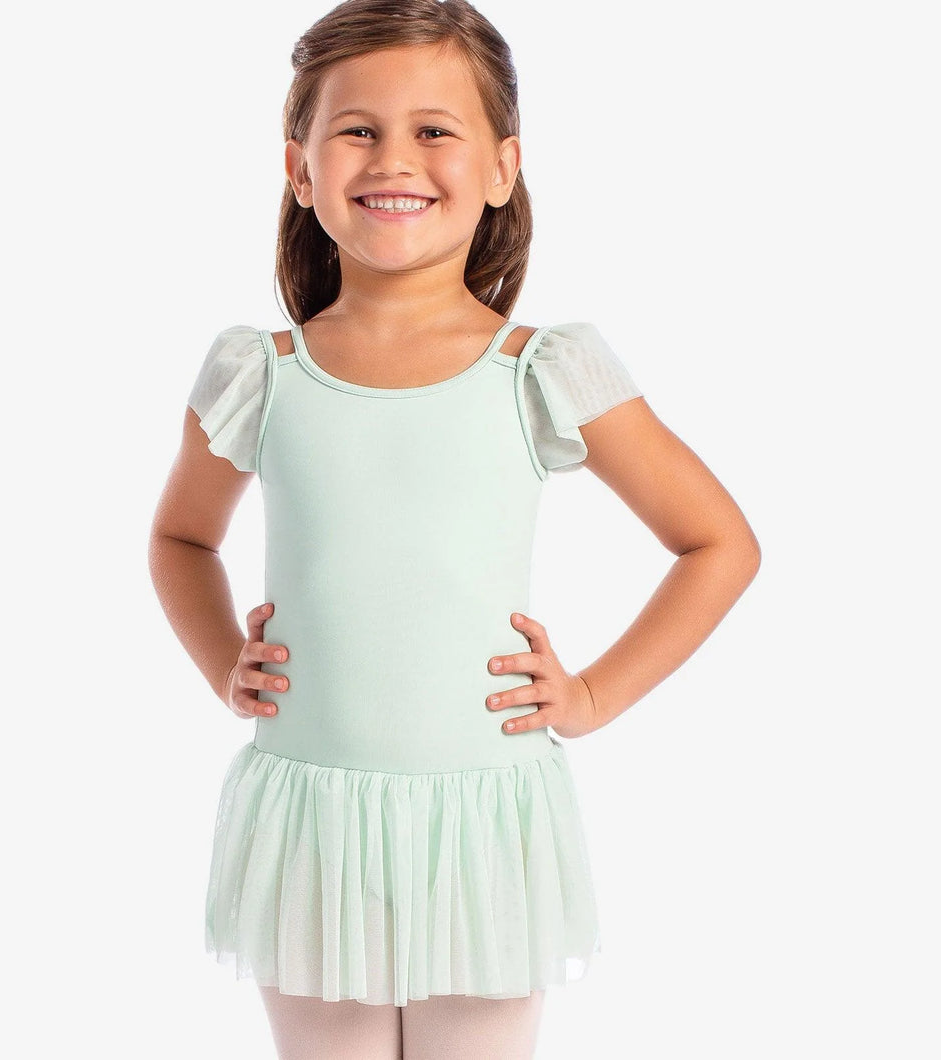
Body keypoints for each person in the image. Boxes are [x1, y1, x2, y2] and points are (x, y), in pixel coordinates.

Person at [148, 1, 761, 1056]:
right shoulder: (262, 372)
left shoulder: (541, 370)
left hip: (484, 824)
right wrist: (223, 667)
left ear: (501, 166)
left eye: (434, 130)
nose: (394, 159)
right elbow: (181, 539)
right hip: (313, 821)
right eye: (357, 130)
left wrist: (591, 696)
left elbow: (717, 543)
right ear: (300, 169)